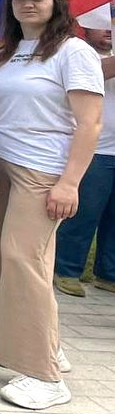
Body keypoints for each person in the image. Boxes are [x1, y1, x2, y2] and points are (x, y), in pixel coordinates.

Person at [0, 0, 102, 410]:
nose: (28, 3)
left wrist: (70, 182)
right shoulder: (5, 52)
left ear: (55, 3)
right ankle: (39, 346)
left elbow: (90, 123)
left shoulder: (73, 52)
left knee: (24, 259)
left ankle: (44, 376)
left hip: (41, 171)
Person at [54, 24, 115, 297]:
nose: (108, 30)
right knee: (83, 215)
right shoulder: (78, 54)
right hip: (96, 150)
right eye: (102, 25)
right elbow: (98, 72)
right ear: (85, 29)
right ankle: (66, 271)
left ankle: (108, 274)